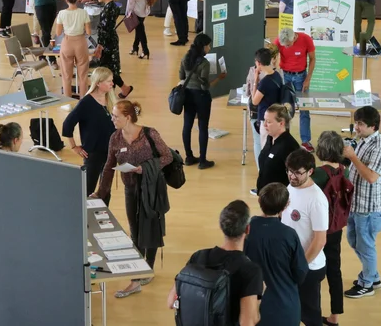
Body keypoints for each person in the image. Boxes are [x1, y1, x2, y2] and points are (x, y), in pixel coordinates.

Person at [93, 101, 172, 298]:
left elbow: (167, 156)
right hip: (131, 189)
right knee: (135, 231)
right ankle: (137, 274)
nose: (112, 119)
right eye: (112, 115)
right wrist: (100, 193)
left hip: (151, 188)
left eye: (115, 116)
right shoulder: (115, 138)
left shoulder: (149, 134)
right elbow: (109, 166)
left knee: (151, 227)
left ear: (128, 117)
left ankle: (147, 269)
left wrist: (144, 168)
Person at [168, 201, 262, 326]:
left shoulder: (198, 256)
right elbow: (247, 322)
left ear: (221, 226)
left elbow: (170, 301)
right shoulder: (250, 271)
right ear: (247, 229)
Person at [344, 106, 381, 299]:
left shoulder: (379, 146)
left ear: (373, 126)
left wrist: (353, 157)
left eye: (361, 124)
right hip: (356, 204)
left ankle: (367, 283)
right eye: (356, 123)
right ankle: (374, 276)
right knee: (354, 240)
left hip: (370, 209)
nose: (357, 128)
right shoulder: (363, 140)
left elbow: (371, 177)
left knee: (366, 246)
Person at [244, 183, 308, 326]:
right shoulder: (289, 235)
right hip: (285, 308)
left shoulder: (245, 230)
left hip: (252, 307)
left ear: (259, 200)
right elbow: (300, 272)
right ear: (285, 206)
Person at [282, 148, 329, 326]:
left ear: (310, 171)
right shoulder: (291, 187)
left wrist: (300, 265)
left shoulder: (316, 199)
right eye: (289, 171)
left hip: (308, 268)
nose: (292, 176)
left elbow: (320, 240)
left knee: (310, 316)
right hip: (291, 263)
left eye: (298, 173)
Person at [311, 132, 351, 325]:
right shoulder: (345, 170)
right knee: (335, 270)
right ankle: (335, 316)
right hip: (336, 226)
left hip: (318, 228)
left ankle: (313, 313)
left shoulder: (318, 173)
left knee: (314, 269)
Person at [62, 67, 117, 196]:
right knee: (88, 188)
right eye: (109, 81)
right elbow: (67, 124)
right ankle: (86, 214)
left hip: (110, 152)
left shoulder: (110, 99)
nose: (112, 84)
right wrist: (74, 146)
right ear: (98, 83)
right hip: (93, 153)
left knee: (105, 189)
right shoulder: (86, 103)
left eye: (112, 81)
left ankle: (103, 214)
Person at [179, 33, 225, 169]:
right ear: (203, 46)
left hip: (187, 95)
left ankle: (188, 157)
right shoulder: (204, 63)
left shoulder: (185, 58)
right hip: (201, 97)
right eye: (208, 45)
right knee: (203, 127)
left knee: (187, 126)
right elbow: (205, 86)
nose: (209, 48)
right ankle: (203, 160)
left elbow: (181, 76)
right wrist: (219, 78)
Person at [274, 28, 316, 151]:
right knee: (284, 108)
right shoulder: (279, 40)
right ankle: (284, 139)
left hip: (301, 76)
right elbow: (270, 55)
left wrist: (308, 79)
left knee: (304, 109)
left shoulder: (305, 39)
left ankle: (306, 141)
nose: (286, 47)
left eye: (288, 44)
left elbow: (313, 59)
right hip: (285, 76)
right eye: (284, 45)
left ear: (294, 38)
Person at [94, 0, 132, 99]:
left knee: (107, 68)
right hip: (110, 40)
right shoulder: (113, 6)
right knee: (111, 68)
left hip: (108, 42)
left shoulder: (109, 8)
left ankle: (111, 93)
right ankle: (124, 88)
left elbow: (106, 29)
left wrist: (100, 45)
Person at [250, 48, 285, 169]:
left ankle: (264, 176)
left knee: (264, 149)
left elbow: (255, 100)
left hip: (266, 119)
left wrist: (255, 80)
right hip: (276, 116)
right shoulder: (277, 75)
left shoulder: (265, 82)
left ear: (258, 63)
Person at [256, 104, 301, 194]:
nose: (264, 125)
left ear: (281, 123)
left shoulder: (289, 146)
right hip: (265, 195)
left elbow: (297, 177)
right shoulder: (270, 138)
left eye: (268, 122)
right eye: (264, 120)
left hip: (279, 199)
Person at [55, 0, 92, 98]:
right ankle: (83, 100)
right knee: (83, 75)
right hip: (80, 43)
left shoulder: (61, 13)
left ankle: (67, 101)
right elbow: (89, 32)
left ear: (66, 0)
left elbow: (58, 33)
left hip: (67, 43)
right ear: (77, 0)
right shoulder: (83, 12)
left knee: (66, 75)